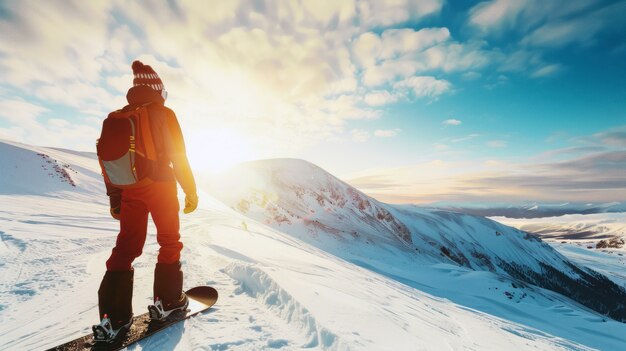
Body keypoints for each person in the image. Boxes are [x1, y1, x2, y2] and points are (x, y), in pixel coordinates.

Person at [96, 60, 199, 335]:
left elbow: (111, 162)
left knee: (126, 248)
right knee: (169, 241)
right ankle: (168, 303)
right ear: (158, 89)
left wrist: (115, 199)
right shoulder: (164, 114)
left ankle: (113, 319)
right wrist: (190, 189)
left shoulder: (120, 116)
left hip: (129, 190)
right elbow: (179, 157)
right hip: (161, 186)